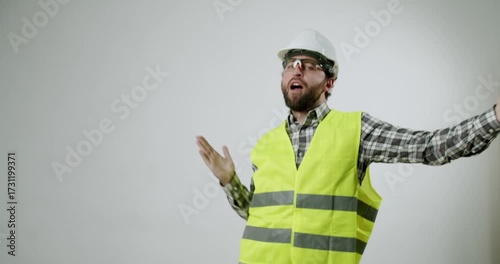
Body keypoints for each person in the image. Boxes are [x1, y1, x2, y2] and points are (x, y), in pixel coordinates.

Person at [195, 29, 500, 264]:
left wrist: (494, 117)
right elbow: (259, 217)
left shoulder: (357, 130)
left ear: (330, 82)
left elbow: (429, 147)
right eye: (290, 64)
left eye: (309, 64)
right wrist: (229, 182)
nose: (297, 69)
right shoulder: (265, 144)